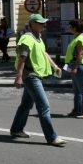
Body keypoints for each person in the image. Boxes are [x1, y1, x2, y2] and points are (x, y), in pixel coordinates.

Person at [10, 13, 66, 146]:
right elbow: (22, 57)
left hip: (36, 74)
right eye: (41, 23)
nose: (44, 25)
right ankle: (52, 137)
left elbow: (44, 53)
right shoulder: (27, 38)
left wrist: (55, 66)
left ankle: (16, 129)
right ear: (33, 24)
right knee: (44, 105)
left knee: (26, 104)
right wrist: (18, 76)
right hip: (31, 76)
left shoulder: (38, 38)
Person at [64, 20, 83, 119]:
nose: (70, 29)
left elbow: (81, 53)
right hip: (75, 65)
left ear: (75, 28)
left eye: (71, 27)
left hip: (80, 65)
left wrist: (75, 67)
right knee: (77, 90)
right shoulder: (78, 37)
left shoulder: (80, 39)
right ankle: (77, 110)